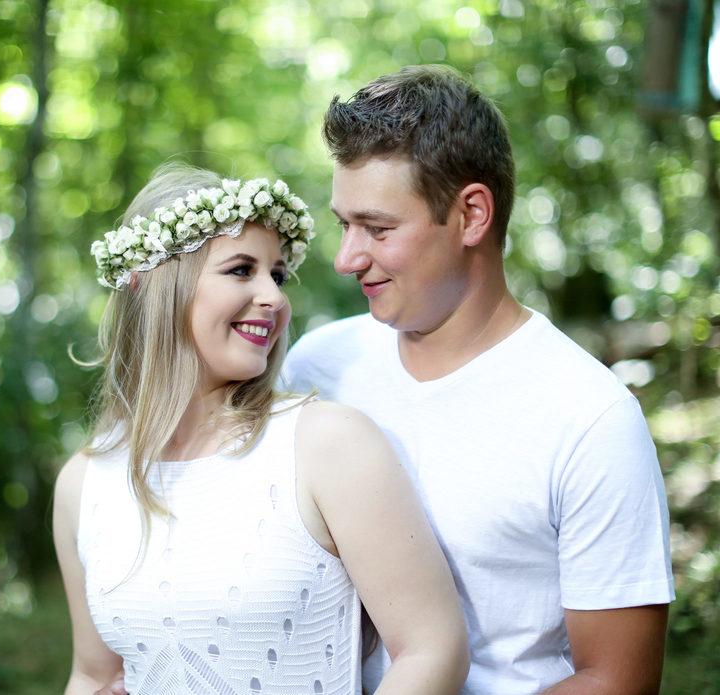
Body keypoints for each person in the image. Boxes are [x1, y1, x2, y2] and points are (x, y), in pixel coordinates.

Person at [282, 65, 675, 695]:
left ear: (471, 215)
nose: (347, 257)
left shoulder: (589, 417)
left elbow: (617, 682)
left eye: (378, 229)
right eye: (344, 224)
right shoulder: (315, 368)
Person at [53, 163, 469, 695]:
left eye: (276, 274)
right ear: (156, 285)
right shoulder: (83, 483)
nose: (273, 297)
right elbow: (94, 675)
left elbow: (433, 649)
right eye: (241, 270)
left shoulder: (327, 444)